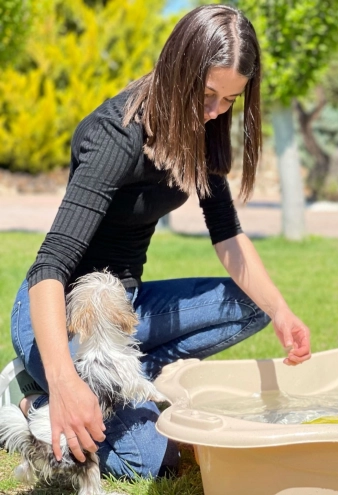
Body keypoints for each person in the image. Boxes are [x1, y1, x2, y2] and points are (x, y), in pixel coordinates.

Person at [9, 4, 311, 480]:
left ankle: (124, 381)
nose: (215, 112)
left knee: (255, 305)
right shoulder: (116, 135)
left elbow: (227, 233)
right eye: (208, 94)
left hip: (127, 312)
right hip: (64, 313)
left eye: (230, 100)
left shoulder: (204, 133)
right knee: (156, 460)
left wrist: (282, 312)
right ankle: (32, 394)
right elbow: (49, 266)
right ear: (178, 69)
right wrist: (67, 381)